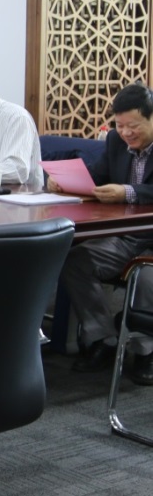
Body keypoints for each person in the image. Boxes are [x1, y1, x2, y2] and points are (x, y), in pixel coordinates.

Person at [55, 85, 153, 383]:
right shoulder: (114, 140)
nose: (126, 133)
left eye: (133, 126)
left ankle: (146, 352)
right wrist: (63, 181)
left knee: (146, 278)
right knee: (75, 261)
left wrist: (128, 192)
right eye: (120, 125)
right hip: (124, 236)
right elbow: (95, 177)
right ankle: (104, 340)